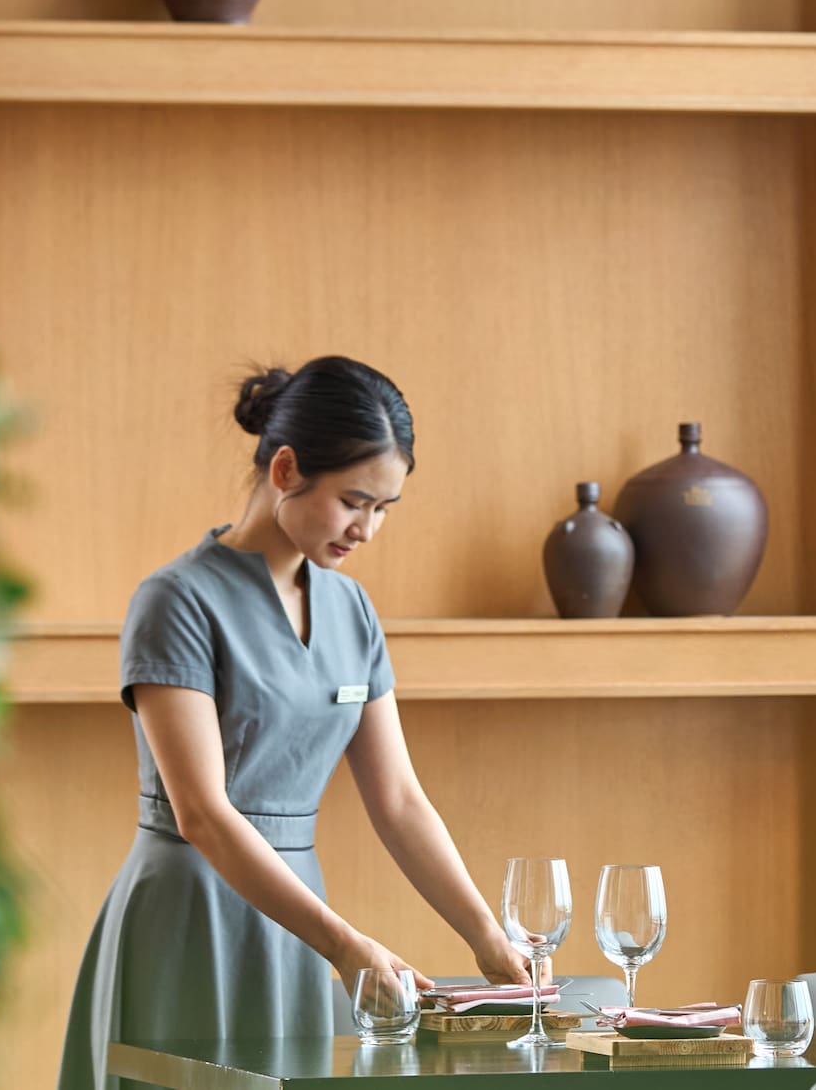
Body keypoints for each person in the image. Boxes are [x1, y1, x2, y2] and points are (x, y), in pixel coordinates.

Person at [59, 356, 530, 1089]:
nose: (367, 528)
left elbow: (399, 800)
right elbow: (203, 815)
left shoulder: (352, 611)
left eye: (384, 508)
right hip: (191, 921)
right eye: (354, 500)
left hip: (300, 927)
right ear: (284, 469)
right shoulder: (176, 601)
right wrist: (344, 946)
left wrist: (485, 935)